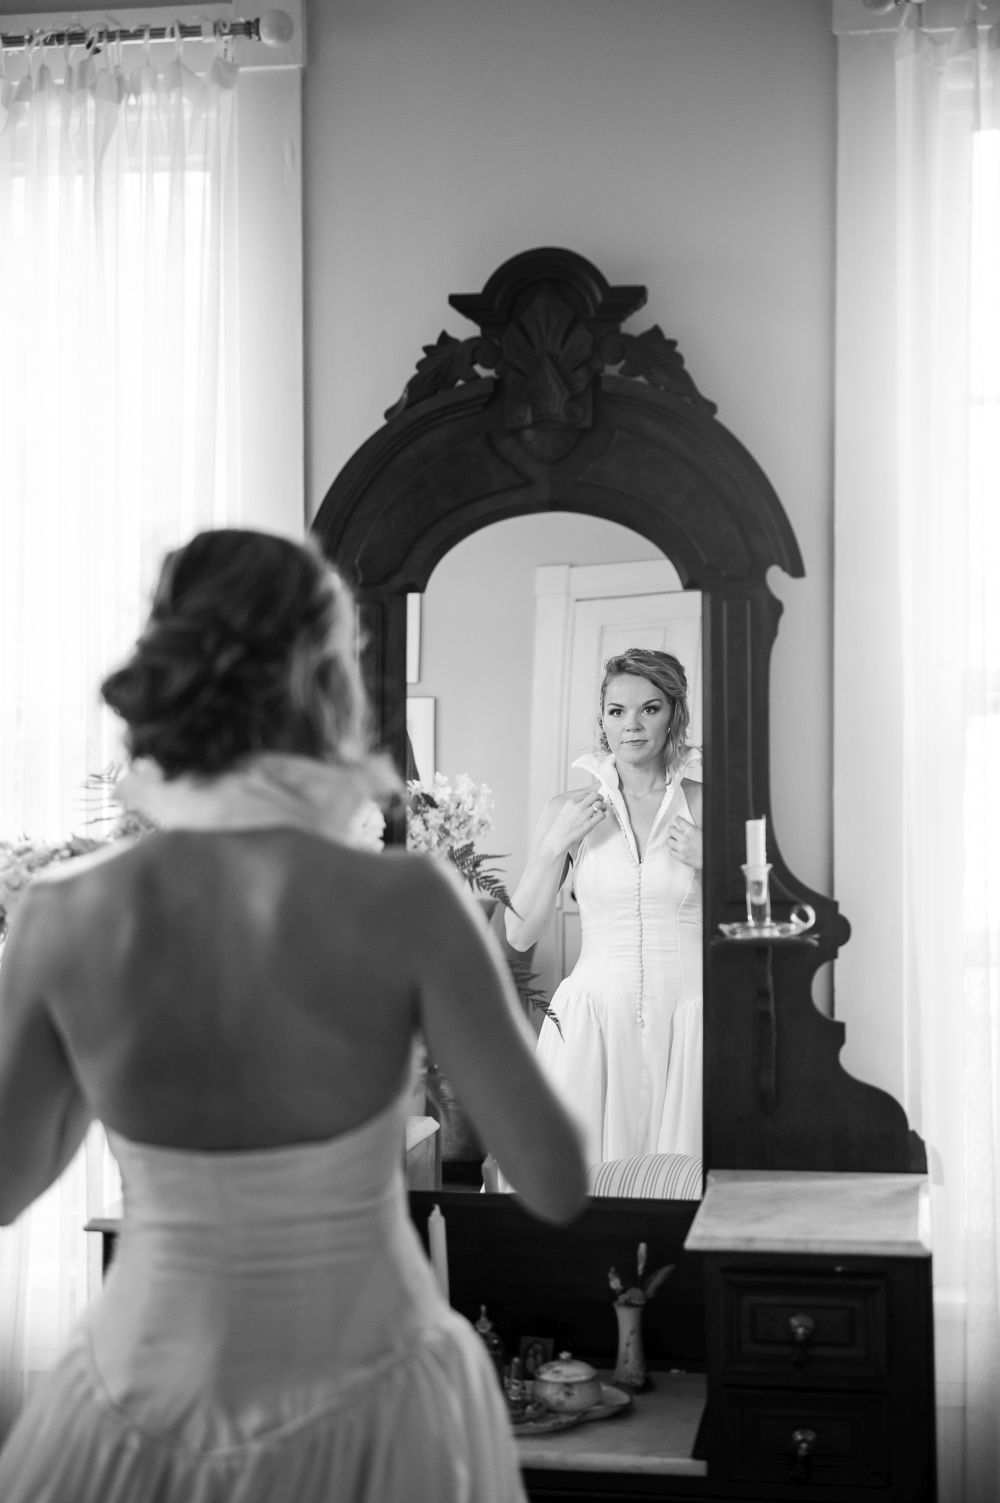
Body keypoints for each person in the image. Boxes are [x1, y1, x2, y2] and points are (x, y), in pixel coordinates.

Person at [0, 528, 587, 1503]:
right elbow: (556, 1183)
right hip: (377, 1406)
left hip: (133, 1407)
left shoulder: (65, 912)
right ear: (324, 678)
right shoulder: (408, 904)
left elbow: (6, 1183)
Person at [506, 647, 703, 1169]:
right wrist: (553, 847)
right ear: (602, 720)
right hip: (591, 1025)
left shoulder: (712, 804)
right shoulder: (567, 809)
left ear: (674, 715)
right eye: (617, 711)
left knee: (682, 1185)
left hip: (689, 1025)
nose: (632, 726)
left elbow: (755, 919)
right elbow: (520, 934)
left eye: (650, 708)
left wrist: (715, 864)